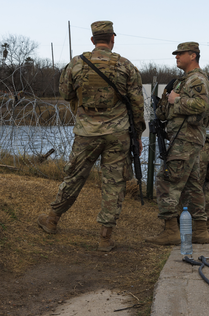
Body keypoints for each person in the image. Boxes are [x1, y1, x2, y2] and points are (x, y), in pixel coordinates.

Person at [37, 21, 145, 252]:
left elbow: (65, 93)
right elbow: (137, 104)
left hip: (87, 131)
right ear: (113, 38)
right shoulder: (126, 66)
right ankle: (105, 237)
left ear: (93, 40)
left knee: (74, 176)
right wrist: (137, 135)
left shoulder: (77, 63)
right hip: (118, 132)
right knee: (114, 183)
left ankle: (52, 220)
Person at [146, 42, 209, 246]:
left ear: (193, 55)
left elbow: (201, 106)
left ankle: (170, 231)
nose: (176, 57)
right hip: (186, 139)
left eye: (180, 54)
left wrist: (176, 100)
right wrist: (166, 101)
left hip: (186, 140)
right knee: (192, 186)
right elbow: (167, 110)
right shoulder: (183, 81)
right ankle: (201, 232)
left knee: (166, 180)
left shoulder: (196, 79)